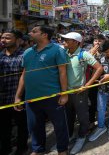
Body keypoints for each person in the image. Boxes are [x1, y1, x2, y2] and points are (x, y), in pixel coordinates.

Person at [14, 25, 69, 155]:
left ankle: (62, 149)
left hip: (53, 96)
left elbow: (62, 73)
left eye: (34, 31)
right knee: (34, 127)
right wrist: (18, 96)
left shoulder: (57, 50)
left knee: (59, 126)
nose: (30, 33)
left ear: (44, 35)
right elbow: (24, 74)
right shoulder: (27, 52)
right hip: (31, 98)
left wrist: (64, 94)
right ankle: (38, 149)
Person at [60, 32, 103, 154]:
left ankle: (81, 137)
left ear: (75, 42)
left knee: (83, 116)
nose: (64, 42)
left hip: (80, 92)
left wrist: (87, 85)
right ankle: (70, 136)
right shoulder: (64, 53)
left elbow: (99, 68)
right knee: (68, 116)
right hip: (67, 92)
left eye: (67, 40)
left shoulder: (83, 54)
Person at [0, 30, 28, 155]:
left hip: (19, 98)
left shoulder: (24, 56)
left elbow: (25, 77)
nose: (3, 40)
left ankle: (21, 149)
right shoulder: (1, 56)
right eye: (2, 38)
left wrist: (18, 97)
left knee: (22, 126)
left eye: (7, 38)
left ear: (17, 40)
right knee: (4, 128)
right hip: (3, 99)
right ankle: (5, 149)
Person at [87, 34, 106, 127]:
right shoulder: (88, 53)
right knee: (92, 101)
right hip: (91, 81)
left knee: (102, 102)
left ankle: (101, 120)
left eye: (100, 40)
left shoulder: (106, 52)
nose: (97, 42)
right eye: (95, 41)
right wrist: (91, 54)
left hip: (103, 80)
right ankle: (91, 121)